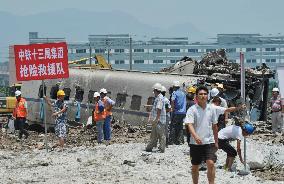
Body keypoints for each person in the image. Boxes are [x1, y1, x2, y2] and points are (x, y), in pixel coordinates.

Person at [184, 86, 218, 184]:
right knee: (195, 167)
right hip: (195, 143)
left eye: (205, 94)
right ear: (196, 96)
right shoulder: (192, 109)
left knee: (211, 163)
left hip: (209, 142)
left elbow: (215, 126)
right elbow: (189, 124)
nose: (203, 96)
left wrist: (216, 141)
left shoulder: (211, 109)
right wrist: (195, 136)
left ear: (208, 96)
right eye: (201, 94)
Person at [146, 83, 166, 153]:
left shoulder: (160, 98)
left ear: (156, 90)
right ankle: (149, 147)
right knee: (153, 134)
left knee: (161, 135)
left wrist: (157, 119)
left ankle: (162, 148)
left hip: (159, 120)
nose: (153, 92)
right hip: (156, 120)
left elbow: (159, 109)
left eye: (154, 90)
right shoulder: (158, 97)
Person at [170, 81, 187, 145]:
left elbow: (172, 101)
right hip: (183, 112)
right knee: (180, 126)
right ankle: (180, 140)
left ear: (174, 87)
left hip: (177, 112)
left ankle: (172, 140)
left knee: (173, 126)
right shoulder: (183, 93)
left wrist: (172, 108)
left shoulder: (174, 93)